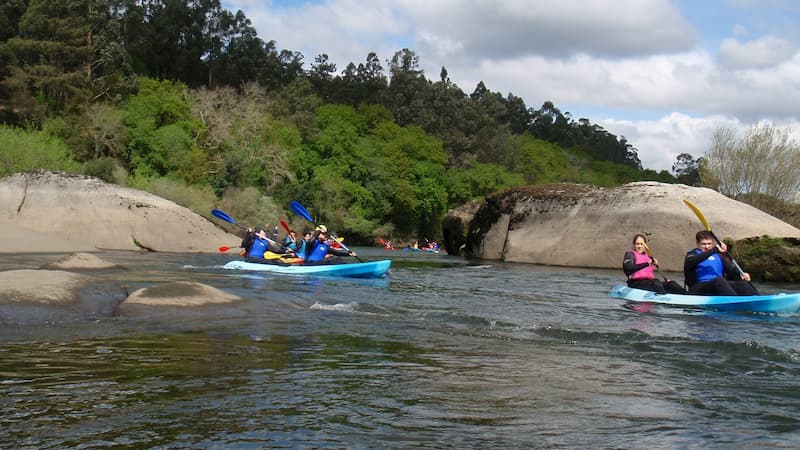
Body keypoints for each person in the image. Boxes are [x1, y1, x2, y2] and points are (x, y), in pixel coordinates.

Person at [684, 230, 757, 296]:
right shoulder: (692, 254)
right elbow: (692, 261)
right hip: (698, 288)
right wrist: (715, 249)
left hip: (717, 287)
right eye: (704, 244)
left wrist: (741, 274)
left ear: (712, 243)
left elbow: (730, 269)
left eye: (709, 244)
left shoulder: (718, 256)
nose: (707, 246)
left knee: (742, 284)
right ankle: (734, 302)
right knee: (719, 281)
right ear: (697, 243)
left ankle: (755, 298)